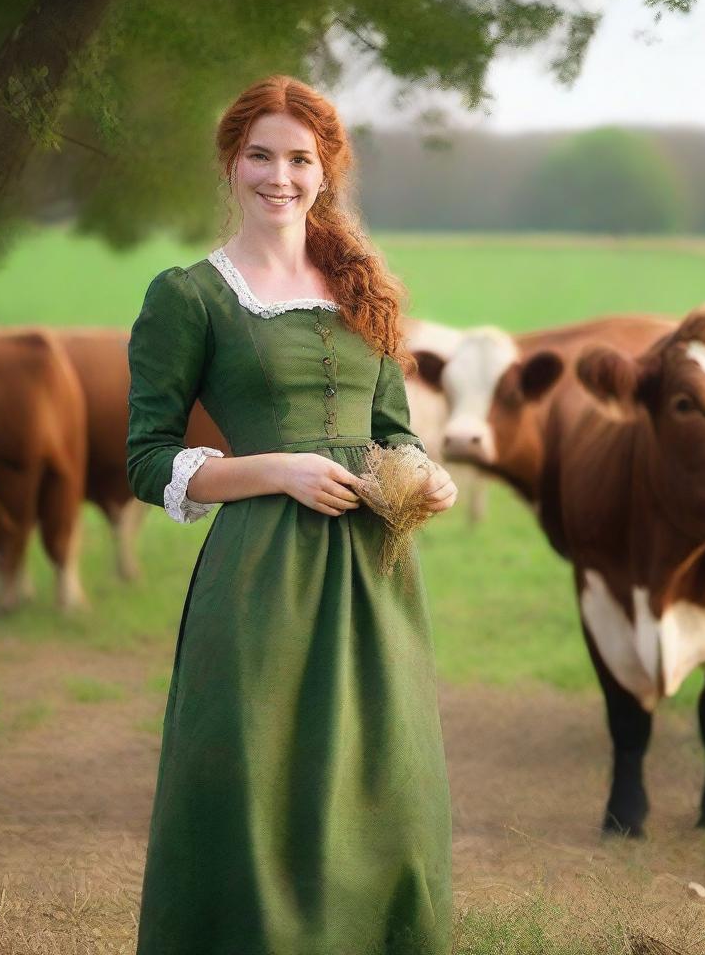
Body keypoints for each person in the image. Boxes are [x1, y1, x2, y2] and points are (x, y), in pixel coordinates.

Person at [126, 74, 457, 955]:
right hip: (261, 574)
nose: (281, 175)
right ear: (232, 166)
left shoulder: (366, 287)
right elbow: (145, 458)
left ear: (327, 169)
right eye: (261, 155)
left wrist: (423, 474)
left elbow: (394, 431)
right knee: (262, 781)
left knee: (386, 776)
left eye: (301, 158)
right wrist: (272, 469)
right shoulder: (189, 294)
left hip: (376, 574)